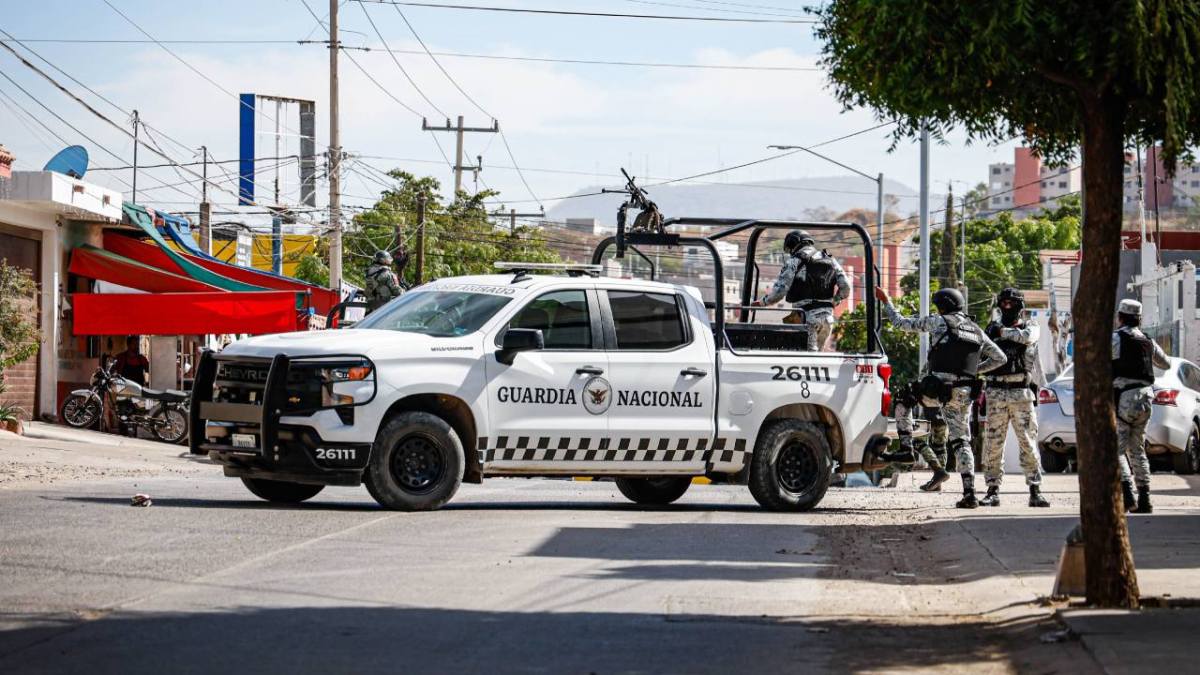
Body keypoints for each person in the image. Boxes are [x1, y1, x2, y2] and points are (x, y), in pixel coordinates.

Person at [875, 285, 1007, 508]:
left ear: (944, 306)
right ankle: (970, 494)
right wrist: (974, 371)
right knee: (961, 440)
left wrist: (886, 301)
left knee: (902, 399)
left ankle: (906, 448)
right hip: (964, 392)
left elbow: (900, 323)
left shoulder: (939, 321)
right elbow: (1000, 358)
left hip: (937, 389)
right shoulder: (976, 329)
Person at [980, 288, 1050, 508]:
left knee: (1028, 442)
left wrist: (1002, 334)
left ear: (1020, 306)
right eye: (1004, 303)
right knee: (993, 444)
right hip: (996, 392)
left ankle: (1035, 490)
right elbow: (980, 351)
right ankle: (992, 490)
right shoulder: (991, 328)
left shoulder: (1031, 326)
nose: (1007, 307)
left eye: (1012, 303)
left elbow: (1027, 338)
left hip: (1021, 391)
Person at [1112, 299, 1170, 514]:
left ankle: (1127, 495)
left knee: (1116, 449)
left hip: (1123, 399)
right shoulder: (1147, 340)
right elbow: (1165, 363)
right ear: (1139, 318)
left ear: (1120, 317)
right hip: (1146, 399)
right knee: (1137, 449)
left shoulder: (1117, 339)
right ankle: (1144, 497)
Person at [754, 230, 849, 351]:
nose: (790, 252)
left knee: (805, 358)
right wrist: (836, 300)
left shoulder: (794, 261)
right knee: (817, 359)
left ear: (794, 244)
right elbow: (846, 287)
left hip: (807, 318)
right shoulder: (830, 259)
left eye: (790, 248)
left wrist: (763, 302)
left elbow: (780, 292)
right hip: (828, 320)